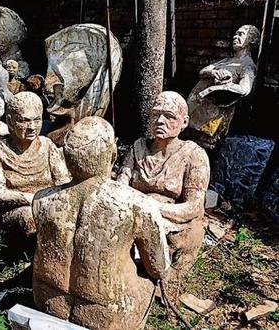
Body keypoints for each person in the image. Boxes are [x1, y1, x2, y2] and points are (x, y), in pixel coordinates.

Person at [33, 117, 170, 329]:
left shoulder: (41, 199)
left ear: (67, 157)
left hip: (48, 300)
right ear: (113, 154)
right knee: (148, 283)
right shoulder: (137, 205)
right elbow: (158, 268)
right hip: (105, 313)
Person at [119, 91, 210, 280]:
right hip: (132, 214)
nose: (160, 121)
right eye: (155, 115)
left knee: (187, 235)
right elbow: (120, 187)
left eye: (169, 116)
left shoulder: (194, 155)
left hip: (170, 220)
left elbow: (194, 206)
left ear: (184, 122)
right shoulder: (138, 147)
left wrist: (151, 208)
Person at [0, 92, 69, 246]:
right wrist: (33, 199)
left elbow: (64, 184)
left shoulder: (47, 146)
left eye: (37, 120)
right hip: (10, 215)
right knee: (28, 216)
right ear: (9, 121)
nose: (32, 127)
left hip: (47, 207)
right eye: (24, 121)